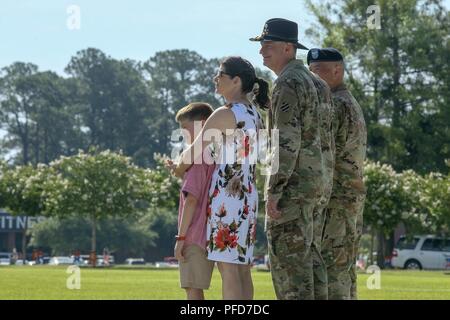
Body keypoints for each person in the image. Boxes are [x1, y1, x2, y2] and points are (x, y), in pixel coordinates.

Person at [171, 56, 268, 300]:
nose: (216, 80)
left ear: (236, 81)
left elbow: (191, 153)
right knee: (243, 269)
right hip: (248, 194)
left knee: (228, 269)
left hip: (227, 196)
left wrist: (178, 168)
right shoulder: (256, 115)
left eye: (220, 76)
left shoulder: (224, 114)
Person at [249, 18, 333, 300]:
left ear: (288, 48)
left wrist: (274, 191)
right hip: (316, 185)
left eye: (267, 44)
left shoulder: (287, 83)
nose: (261, 51)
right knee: (312, 262)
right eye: (261, 45)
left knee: (290, 270)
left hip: (293, 189)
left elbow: (286, 142)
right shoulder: (318, 82)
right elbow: (325, 140)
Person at [307, 47, 367, 300]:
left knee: (333, 268)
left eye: (318, 70)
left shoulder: (337, 105)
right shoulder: (345, 102)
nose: (313, 77)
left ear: (337, 71)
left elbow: (323, 154)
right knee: (343, 266)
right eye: (310, 71)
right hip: (346, 198)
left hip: (336, 200)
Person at [169, 102, 216, 300]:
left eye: (187, 129)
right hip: (208, 232)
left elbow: (191, 201)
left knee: (192, 290)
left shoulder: (197, 157)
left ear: (203, 124)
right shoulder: (212, 153)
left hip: (194, 234)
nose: (184, 137)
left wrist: (180, 239)